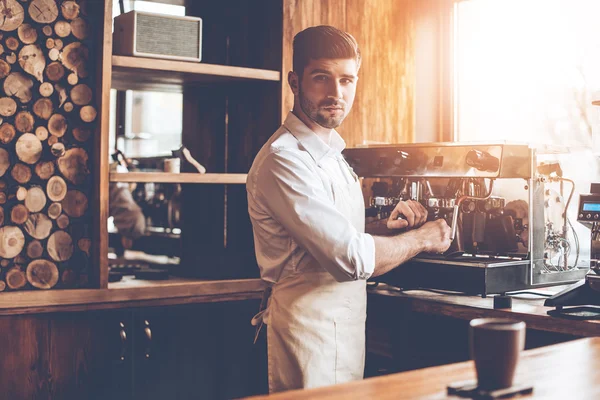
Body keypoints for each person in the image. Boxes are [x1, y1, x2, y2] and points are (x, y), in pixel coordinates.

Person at [246, 25, 452, 393]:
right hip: (307, 335)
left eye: (346, 80)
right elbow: (351, 259)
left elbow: (338, 233)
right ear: (295, 82)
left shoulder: (333, 154)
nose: (335, 93)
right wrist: (424, 237)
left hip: (345, 327)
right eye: (321, 78)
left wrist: (384, 227)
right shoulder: (284, 160)